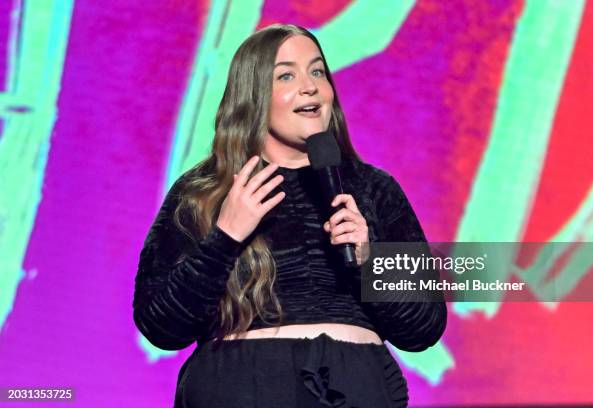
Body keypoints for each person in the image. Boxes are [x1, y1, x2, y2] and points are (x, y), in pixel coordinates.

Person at [132, 23, 446, 408]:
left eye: (317, 71)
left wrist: (369, 262)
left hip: (354, 386)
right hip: (244, 387)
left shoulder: (374, 188)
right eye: (286, 75)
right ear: (254, 96)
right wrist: (225, 236)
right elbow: (160, 325)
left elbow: (423, 329)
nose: (309, 86)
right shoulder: (203, 190)